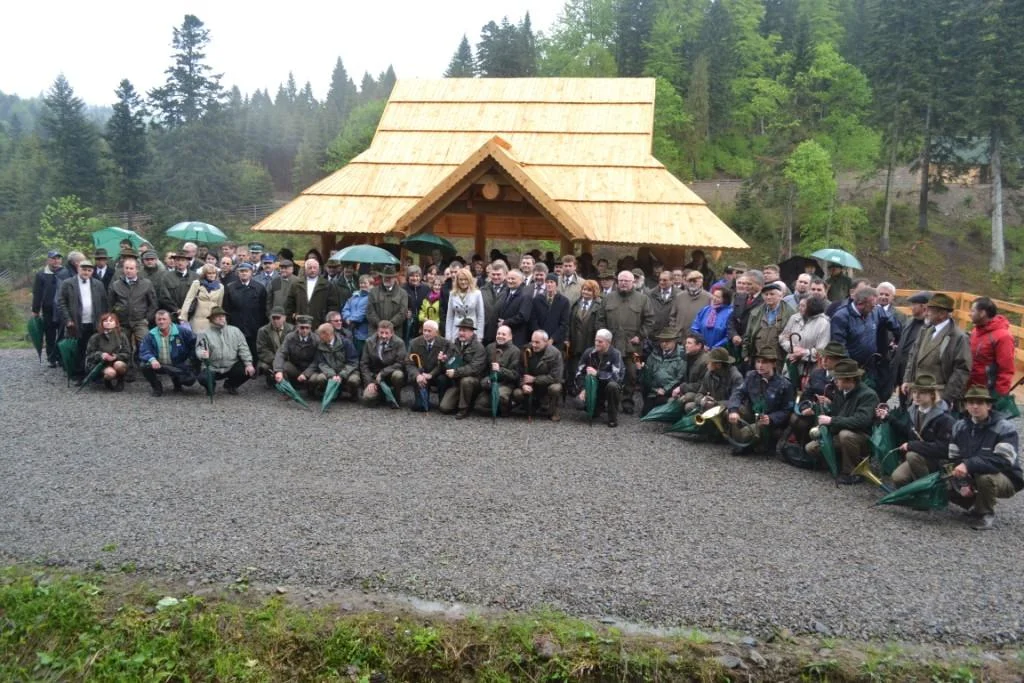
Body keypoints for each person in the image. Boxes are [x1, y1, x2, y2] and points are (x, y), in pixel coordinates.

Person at [946, 385, 1023, 530]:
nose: (975, 406)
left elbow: (1002, 461)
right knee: (944, 481)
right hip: (972, 473)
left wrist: (968, 464)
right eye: (971, 402)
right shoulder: (959, 427)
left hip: (1006, 477)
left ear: (989, 406)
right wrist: (962, 483)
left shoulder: (1005, 428)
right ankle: (974, 504)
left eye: (980, 403)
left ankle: (985, 513)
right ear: (966, 405)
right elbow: (953, 459)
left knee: (985, 478)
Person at [805, 358, 878, 483]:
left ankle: (852, 472)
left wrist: (831, 420)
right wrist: (826, 407)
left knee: (846, 435)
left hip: (862, 437)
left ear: (850, 380)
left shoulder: (868, 395)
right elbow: (836, 412)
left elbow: (861, 421)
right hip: (839, 433)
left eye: (838, 378)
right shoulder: (840, 391)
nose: (835, 381)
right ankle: (839, 462)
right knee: (811, 448)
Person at [883, 374, 955, 489]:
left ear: (932, 395)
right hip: (919, 457)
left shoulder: (944, 418)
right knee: (898, 478)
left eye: (922, 392)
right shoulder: (914, 410)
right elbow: (907, 431)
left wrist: (912, 445)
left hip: (937, 461)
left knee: (912, 455)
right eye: (914, 392)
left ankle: (926, 492)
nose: (916, 396)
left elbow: (943, 449)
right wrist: (889, 418)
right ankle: (919, 487)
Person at [901, 293, 971, 408]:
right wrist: (907, 379)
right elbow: (913, 355)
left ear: (942, 314)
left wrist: (947, 398)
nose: (926, 313)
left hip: (937, 397)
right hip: (918, 393)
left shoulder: (958, 337)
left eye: (930, 310)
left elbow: (962, 370)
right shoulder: (926, 330)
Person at [601, 270, 654, 415]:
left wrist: (640, 336)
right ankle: (607, 401)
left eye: (627, 281)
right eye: (621, 280)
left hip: (634, 347)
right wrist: (604, 338)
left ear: (633, 282)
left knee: (632, 375)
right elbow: (600, 319)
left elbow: (650, 321)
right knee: (607, 372)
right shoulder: (608, 298)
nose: (623, 283)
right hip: (610, 345)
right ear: (617, 282)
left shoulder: (643, 299)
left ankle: (627, 402)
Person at [830, 286, 901, 395]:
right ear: (860, 304)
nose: (875, 308)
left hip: (871, 367)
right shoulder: (841, 316)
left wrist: (898, 339)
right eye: (872, 306)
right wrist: (851, 370)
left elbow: (894, 323)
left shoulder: (876, 311)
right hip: (851, 369)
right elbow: (840, 347)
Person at [726, 348, 794, 455]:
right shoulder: (751, 376)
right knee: (729, 411)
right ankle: (742, 443)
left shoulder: (784, 384)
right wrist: (733, 410)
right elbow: (738, 393)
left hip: (769, 422)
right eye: (758, 362)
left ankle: (748, 443)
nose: (760, 365)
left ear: (774, 364)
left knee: (744, 434)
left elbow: (788, 410)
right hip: (753, 413)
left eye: (765, 362)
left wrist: (771, 418)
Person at [789, 342, 848, 448]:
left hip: (835, 416)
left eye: (829, 358)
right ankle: (803, 448)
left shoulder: (845, 378)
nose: (824, 360)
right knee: (795, 419)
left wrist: (830, 403)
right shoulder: (817, 374)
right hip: (814, 411)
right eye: (823, 357)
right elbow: (806, 395)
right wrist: (806, 407)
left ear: (839, 361)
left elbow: (848, 402)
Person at [58, 257, 109, 378]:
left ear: (92, 272)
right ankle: (78, 374)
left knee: (94, 348)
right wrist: (68, 319)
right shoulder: (68, 283)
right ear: (78, 269)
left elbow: (104, 303)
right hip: (76, 322)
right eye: (84, 269)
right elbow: (61, 302)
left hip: (94, 322)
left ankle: (93, 374)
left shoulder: (98, 284)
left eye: (89, 270)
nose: (86, 272)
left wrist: (104, 321)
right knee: (78, 349)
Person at [107, 256, 157, 376]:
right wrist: (114, 319)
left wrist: (147, 319)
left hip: (140, 320)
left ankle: (144, 365)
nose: (128, 270)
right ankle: (127, 369)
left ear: (137, 269)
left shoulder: (146, 284)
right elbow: (110, 304)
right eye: (126, 268)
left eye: (131, 268)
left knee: (145, 341)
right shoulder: (116, 285)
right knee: (124, 345)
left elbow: (153, 304)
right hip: (122, 321)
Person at [195, 306, 256, 395]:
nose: (221, 318)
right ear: (211, 319)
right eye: (217, 316)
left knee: (248, 371)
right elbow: (199, 349)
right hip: (212, 367)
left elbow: (244, 349)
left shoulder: (235, 331)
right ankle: (211, 387)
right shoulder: (204, 334)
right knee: (203, 378)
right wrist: (202, 354)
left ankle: (230, 385)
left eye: (223, 316)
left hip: (231, 366)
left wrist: (249, 364)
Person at [139, 309, 198, 396]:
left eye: (164, 319)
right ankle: (157, 387)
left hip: (178, 364)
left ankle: (177, 381)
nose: (161, 322)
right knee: (144, 366)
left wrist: (190, 360)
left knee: (189, 380)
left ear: (170, 320)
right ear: (155, 321)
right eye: (159, 319)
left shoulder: (182, 331)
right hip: (159, 365)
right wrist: (152, 359)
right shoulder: (150, 335)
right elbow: (144, 350)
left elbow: (195, 344)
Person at [575, 328, 626, 428]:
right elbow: (578, 373)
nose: (597, 343)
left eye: (600, 341)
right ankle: (596, 409)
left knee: (613, 386)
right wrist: (582, 389)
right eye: (595, 340)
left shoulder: (615, 354)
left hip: (608, 388)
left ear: (608, 343)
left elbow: (617, 377)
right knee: (578, 403)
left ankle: (612, 417)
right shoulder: (588, 353)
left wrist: (597, 373)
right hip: (593, 388)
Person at [438, 317, 487, 418]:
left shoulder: (479, 348)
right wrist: (442, 361)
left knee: (466, 381)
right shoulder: (454, 345)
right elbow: (448, 366)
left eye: (464, 330)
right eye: (460, 330)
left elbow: (474, 369)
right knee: (444, 408)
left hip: (474, 381)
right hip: (457, 382)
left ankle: (464, 409)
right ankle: (462, 401)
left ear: (471, 332)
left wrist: (455, 372)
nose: (461, 333)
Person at [352, 319, 407, 407]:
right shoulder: (369, 342)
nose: (383, 336)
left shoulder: (399, 343)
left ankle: (396, 397)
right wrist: (369, 382)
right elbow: (364, 364)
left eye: (386, 333)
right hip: (374, 376)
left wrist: (383, 373)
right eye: (381, 332)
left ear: (392, 333)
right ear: (377, 332)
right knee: (368, 400)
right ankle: (380, 394)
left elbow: (400, 363)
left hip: (390, 375)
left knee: (398, 375)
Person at [513, 330, 564, 421]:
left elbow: (556, 377)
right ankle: (531, 407)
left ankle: (553, 410)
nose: (534, 345)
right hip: (530, 386)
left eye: (537, 342)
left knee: (555, 388)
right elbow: (518, 372)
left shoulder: (555, 354)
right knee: (518, 393)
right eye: (532, 341)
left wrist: (535, 379)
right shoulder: (525, 351)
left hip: (547, 385)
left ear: (546, 342)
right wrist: (523, 384)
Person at [968, 296, 1015, 397]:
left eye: (972, 311)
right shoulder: (976, 331)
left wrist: (999, 395)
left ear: (982, 313)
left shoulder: (1003, 337)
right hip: (972, 388)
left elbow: (1006, 370)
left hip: (987, 393)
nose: (969, 314)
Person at [742, 282, 795, 372]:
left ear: (780, 296)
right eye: (766, 294)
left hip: (779, 357)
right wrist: (745, 354)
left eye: (772, 294)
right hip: (758, 355)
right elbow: (748, 334)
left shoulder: (791, 313)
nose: (768, 297)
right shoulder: (755, 312)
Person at [779, 295, 830, 381]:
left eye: (803, 306)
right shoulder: (794, 318)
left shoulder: (823, 323)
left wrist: (803, 353)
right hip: (790, 365)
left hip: (810, 369)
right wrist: (793, 349)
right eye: (799, 305)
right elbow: (783, 338)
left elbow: (822, 349)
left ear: (812, 307)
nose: (799, 308)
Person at [223, 262, 268, 360]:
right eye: (241, 271)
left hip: (254, 326)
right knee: (236, 351)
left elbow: (263, 309)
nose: (244, 273)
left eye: (246, 271)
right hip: (236, 325)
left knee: (253, 351)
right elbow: (226, 308)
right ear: (238, 273)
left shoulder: (259, 288)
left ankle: (254, 372)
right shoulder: (230, 287)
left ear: (251, 272)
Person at [894, 291, 931, 407]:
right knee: (903, 405)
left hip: (916, 377)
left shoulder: (929, 327)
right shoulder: (909, 321)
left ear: (924, 307)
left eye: (914, 304)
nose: (911, 307)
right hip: (902, 374)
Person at [638, 329, 687, 417]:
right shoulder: (654, 353)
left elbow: (680, 377)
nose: (664, 344)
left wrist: (665, 389)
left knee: (664, 412)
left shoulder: (682, 355)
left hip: (671, 390)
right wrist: (655, 390)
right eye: (662, 341)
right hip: (654, 391)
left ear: (674, 341)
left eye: (667, 341)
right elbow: (647, 375)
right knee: (645, 414)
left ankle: (671, 403)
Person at [475, 324, 520, 417]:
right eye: (498, 333)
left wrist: (500, 370)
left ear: (510, 337)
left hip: (506, 384)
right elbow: (484, 368)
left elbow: (515, 375)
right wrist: (486, 379)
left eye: (504, 334)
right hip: (491, 382)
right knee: (479, 406)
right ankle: (495, 408)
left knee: (500, 396)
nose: (500, 336)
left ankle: (507, 408)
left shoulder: (515, 351)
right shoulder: (490, 348)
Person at [681, 347, 743, 414]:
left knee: (727, 413)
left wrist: (715, 403)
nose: (706, 363)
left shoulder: (735, 376)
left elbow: (736, 399)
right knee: (689, 406)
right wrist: (703, 401)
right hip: (712, 405)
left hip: (729, 408)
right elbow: (700, 393)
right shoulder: (709, 374)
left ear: (718, 365)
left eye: (709, 362)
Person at [405, 319, 450, 411]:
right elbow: (409, 363)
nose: (426, 333)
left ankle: (442, 401)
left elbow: (443, 364)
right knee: (420, 407)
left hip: (436, 374)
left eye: (429, 331)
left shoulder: (445, 343)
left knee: (443, 379)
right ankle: (422, 401)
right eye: (424, 330)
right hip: (421, 374)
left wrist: (431, 374)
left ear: (436, 332)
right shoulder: (414, 343)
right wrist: (417, 375)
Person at [568, 279, 603, 393]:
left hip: (590, 341)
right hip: (575, 340)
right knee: (574, 366)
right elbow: (569, 322)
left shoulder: (599, 305)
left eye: (589, 290)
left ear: (595, 292)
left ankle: (585, 390)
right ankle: (574, 387)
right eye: (584, 289)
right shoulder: (575, 303)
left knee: (588, 366)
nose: (586, 292)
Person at [310, 321, 360, 400]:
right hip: (330, 372)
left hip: (347, 372)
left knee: (354, 380)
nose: (319, 337)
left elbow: (353, 362)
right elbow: (321, 363)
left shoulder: (346, 343)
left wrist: (341, 375)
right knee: (320, 378)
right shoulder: (320, 345)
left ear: (327, 334)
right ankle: (327, 392)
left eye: (320, 335)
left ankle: (353, 394)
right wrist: (332, 375)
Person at [285, 259, 341, 327]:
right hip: (301, 324)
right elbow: (289, 305)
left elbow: (333, 306)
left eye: (315, 268)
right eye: (310, 268)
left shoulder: (327, 285)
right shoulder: (296, 284)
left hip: (320, 324)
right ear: (305, 269)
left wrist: (327, 321)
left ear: (319, 269)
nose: (312, 270)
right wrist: (293, 316)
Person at [83, 312, 131, 390]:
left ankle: (120, 380)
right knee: (110, 373)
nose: (108, 323)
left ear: (116, 323)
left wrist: (116, 356)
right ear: (101, 323)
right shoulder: (95, 337)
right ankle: (107, 381)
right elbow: (89, 354)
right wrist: (101, 355)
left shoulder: (122, 336)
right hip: (100, 363)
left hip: (117, 361)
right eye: (105, 321)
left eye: (111, 321)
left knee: (119, 365)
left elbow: (127, 353)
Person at [32, 249, 63, 367]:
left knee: (62, 334)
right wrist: (35, 310)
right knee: (50, 334)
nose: (56, 261)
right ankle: (51, 358)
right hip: (48, 309)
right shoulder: (41, 275)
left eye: (58, 258)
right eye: (53, 258)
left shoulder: (65, 272)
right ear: (48, 260)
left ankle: (61, 357)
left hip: (61, 309)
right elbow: (37, 293)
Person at [273, 315, 319, 390]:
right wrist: (278, 370)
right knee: (284, 365)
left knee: (314, 380)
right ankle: (288, 390)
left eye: (307, 328)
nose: (304, 330)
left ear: (311, 328)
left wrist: (306, 374)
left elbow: (317, 360)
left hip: (310, 369)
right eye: (302, 327)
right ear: (297, 327)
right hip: (296, 368)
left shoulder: (316, 339)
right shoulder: (290, 337)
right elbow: (281, 353)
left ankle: (311, 389)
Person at [179, 263, 225, 336]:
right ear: (205, 274)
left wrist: (220, 320)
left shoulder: (220, 287)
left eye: (214, 273)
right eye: (209, 273)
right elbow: (188, 300)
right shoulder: (197, 284)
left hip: (212, 320)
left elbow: (219, 305)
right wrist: (183, 317)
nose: (212, 275)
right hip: (197, 319)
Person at [529, 273, 570, 348]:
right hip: (539, 340)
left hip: (556, 341)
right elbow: (533, 320)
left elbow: (564, 324)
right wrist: (540, 337)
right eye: (547, 282)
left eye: (551, 282)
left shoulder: (564, 301)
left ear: (556, 284)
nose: (549, 284)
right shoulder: (537, 299)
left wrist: (552, 339)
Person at [445, 267, 486, 340]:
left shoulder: (477, 294)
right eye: (461, 279)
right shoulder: (452, 294)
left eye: (465, 279)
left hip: (471, 328)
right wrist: (448, 336)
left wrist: (479, 336)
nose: (463, 282)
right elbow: (450, 317)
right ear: (457, 281)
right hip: (456, 330)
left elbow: (480, 316)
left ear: (469, 280)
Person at [256, 307, 293, 387]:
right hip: (271, 359)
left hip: (287, 359)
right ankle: (271, 378)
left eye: (278, 318)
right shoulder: (263, 331)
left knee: (288, 367)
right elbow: (262, 350)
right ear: (270, 318)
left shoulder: (292, 330)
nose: (275, 320)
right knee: (263, 366)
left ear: (284, 318)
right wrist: (275, 361)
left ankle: (288, 380)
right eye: (273, 318)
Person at [496, 269, 533, 347]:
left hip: (517, 336)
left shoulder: (525, 295)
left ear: (521, 280)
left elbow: (523, 316)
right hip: (503, 335)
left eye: (513, 279)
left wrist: (505, 322)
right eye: (508, 278)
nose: (510, 281)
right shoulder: (505, 293)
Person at [157, 253, 199, 322]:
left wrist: (187, 310)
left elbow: (197, 297)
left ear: (188, 262)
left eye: (183, 260)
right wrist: (176, 309)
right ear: (175, 262)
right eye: (178, 260)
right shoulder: (166, 277)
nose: (180, 262)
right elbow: (164, 297)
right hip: (172, 315)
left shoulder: (195, 277)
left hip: (191, 316)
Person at [367, 265, 409, 335]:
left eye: (390, 277)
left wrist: (390, 325)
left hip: (395, 333)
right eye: (385, 277)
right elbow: (370, 311)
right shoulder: (373, 292)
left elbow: (403, 312)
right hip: (375, 332)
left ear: (395, 278)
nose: (387, 279)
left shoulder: (403, 293)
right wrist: (380, 324)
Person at [669, 270, 710, 338]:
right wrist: (675, 331)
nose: (692, 283)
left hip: (698, 341)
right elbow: (672, 316)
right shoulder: (679, 296)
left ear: (701, 282)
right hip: (679, 339)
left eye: (694, 281)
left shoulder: (709, 298)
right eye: (689, 281)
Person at [342, 275, 372, 354]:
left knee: (361, 354)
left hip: (363, 332)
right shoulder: (354, 295)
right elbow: (345, 308)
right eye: (361, 283)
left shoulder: (371, 297)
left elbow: (363, 313)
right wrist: (347, 317)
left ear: (370, 284)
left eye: (365, 283)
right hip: (351, 331)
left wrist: (350, 319)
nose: (362, 285)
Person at [480, 262, 507, 344]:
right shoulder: (482, 290)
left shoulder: (510, 290)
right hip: (486, 332)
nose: (495, 277)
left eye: (498, 274)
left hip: (503, 332)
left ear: (505, 274)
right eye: (493, 274)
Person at [647, 270, 679, 338]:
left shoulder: (679, 295)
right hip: (653, 335)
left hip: (671, 335)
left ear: (672, 281)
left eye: (665, 280)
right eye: (660, 280)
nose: (661, 282)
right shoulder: (650, 294)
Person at [403, 265, 430, 342]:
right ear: (408, 277)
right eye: (412, 276)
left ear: (420, 277)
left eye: (417, 276)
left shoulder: (426, 288)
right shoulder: (402, 289)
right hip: (408, 325)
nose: (415, 278)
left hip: (422, 323)